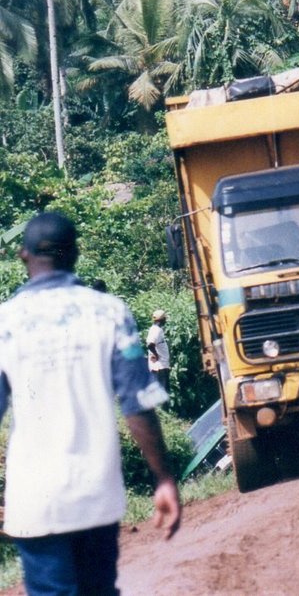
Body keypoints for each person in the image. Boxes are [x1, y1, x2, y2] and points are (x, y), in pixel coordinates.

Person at [0, 212, 181, 595]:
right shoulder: (110, 312)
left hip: (33, 500)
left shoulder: (5, 322)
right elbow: (137, 405)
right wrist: (163, 478)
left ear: (23, 256)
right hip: (95, 494)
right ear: (75, 254)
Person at [146, 308, 170, 389]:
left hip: (160, 366)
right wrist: (156, 355)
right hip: (160, 367)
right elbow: (150, 344)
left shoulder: (155, 329)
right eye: (165, 319)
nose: (165, 321)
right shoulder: (156, 330)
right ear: (162, 319)